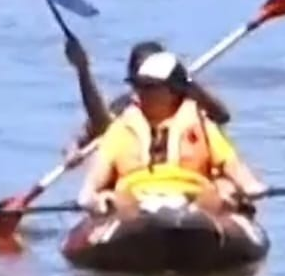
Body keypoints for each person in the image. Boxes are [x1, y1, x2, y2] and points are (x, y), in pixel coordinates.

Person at [77, 49, 266, 217]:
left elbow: (232, 163)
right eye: (139, 85)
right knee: (112, 198)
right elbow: (96, 176)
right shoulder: (121, 126)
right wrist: (91, 197)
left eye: (150, 87)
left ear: (174, 91)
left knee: (223, 189)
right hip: (134, 200)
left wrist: (249, 186)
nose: (141, 92)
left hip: (192, 197)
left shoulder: (201, 123)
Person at [65, 35, 231, 144]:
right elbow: (100, 128)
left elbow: (222, 116)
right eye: (141, 83)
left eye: (153, 84)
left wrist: (186, 82)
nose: (146, 93)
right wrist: (83, 70)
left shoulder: (188, 98)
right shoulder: (125, 106)